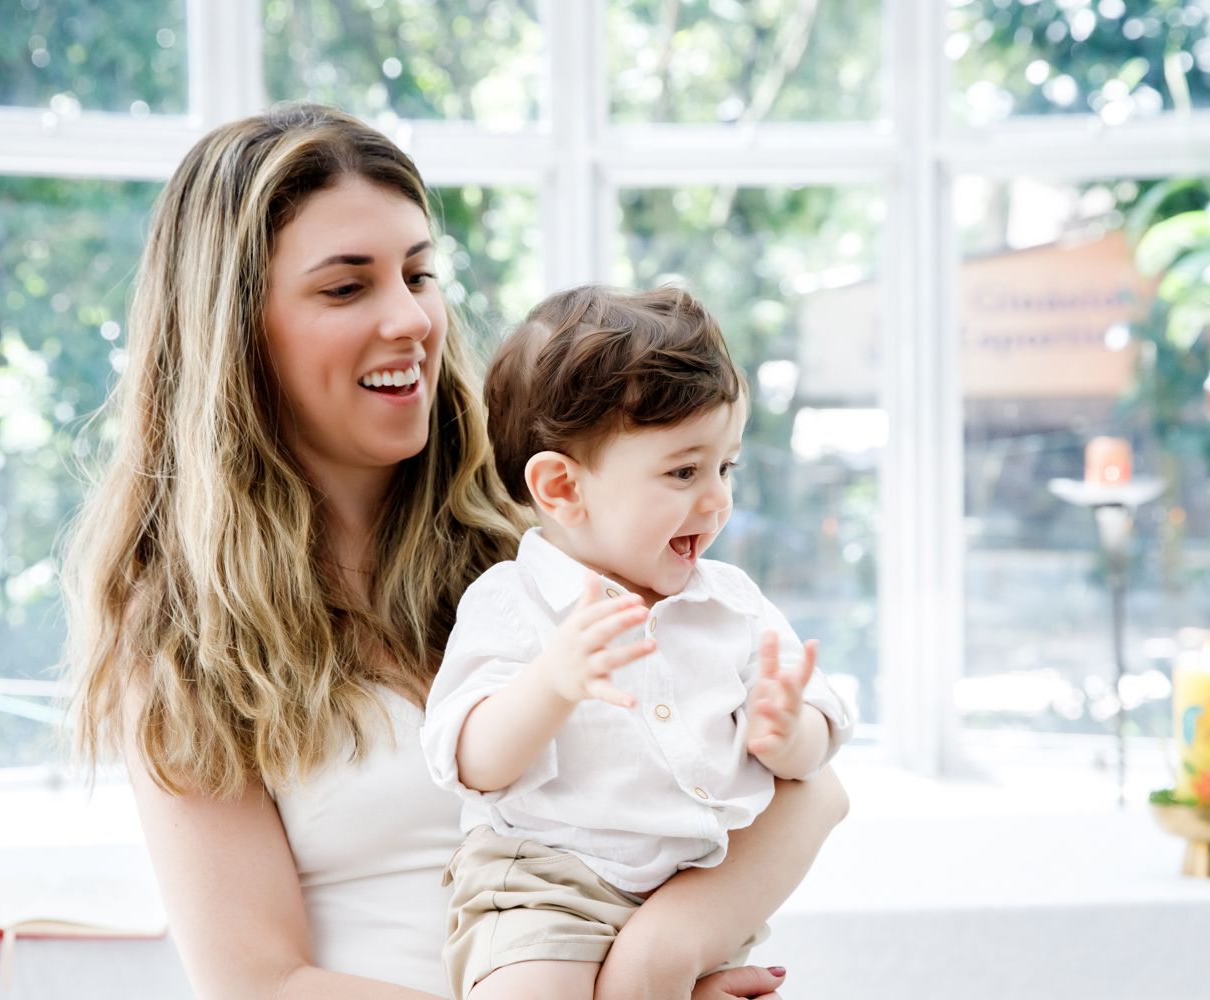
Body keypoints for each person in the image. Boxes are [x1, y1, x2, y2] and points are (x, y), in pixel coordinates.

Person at [63, 102, 848, 1000]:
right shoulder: (180, 640)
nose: (411, 319)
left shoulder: (541, 558)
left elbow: (813, 794)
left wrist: (661, 959)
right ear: (237, 334)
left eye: (419, 273)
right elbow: (259, 985)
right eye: (346, 286)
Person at [421, 285, 853, 1000]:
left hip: (695, 887)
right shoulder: (512, 602)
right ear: (562, 488)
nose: (717, 499)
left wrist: (789, 734)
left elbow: (819, 754)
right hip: (545, 888)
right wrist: (551, 684)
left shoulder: (731, 604)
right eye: (684, 471)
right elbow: (471, 761)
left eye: (726, 467)